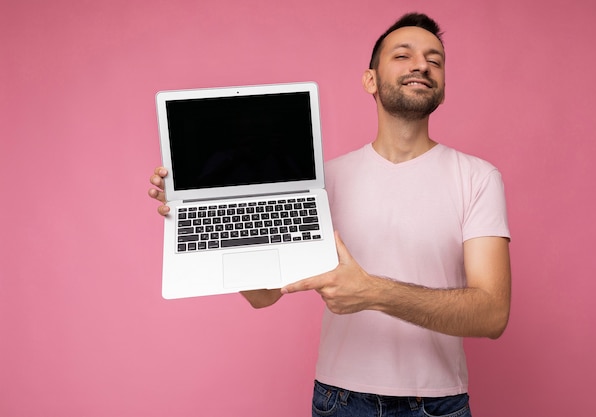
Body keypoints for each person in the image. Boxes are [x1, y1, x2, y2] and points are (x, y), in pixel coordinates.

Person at [149, 12, 511, 417]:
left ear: (441, 88)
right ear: (369, 80)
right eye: (403, 55)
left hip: (439, 403)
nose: (421, 65)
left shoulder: (478, 178)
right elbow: (263, 295)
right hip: (340, 400)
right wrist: (210, 206)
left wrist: (372, 291)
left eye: (435, 60)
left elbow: (492, 313)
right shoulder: (323, 184)